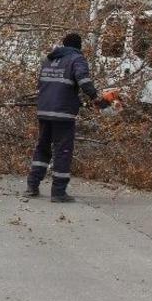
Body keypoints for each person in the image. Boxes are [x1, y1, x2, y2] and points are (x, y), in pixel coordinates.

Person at [25, 32, 103, 203]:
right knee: (63, 151)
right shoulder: (77, 59)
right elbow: (83, 81)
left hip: (44, 110)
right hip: (63, 112)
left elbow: (43, 84)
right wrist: (97, 98)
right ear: (79, 46)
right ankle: (58, 192)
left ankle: (32, 186)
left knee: (42, 147)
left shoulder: (49, 59)